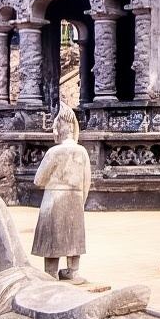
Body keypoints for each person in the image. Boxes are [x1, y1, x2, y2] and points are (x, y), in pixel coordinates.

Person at [31, 107, 90, 281]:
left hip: (54, 200)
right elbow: (87, 182)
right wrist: (81, 200)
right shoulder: (82, 152)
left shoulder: (54, 152)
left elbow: (38, 180)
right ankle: (73, 270)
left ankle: (51, 272)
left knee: (52, 237)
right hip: (76, 198)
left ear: (59, 128)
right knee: (74, 235)